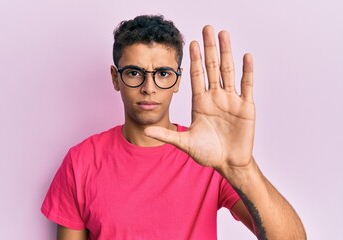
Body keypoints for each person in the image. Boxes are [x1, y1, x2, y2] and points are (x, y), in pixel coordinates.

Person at [41, 15, 306, 240]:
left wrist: (242, 168)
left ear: (178, 80)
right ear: (115, 78)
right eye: (134, 72)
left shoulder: (209, 156)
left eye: (163, 74)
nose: (149, 87)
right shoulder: (81, 162)